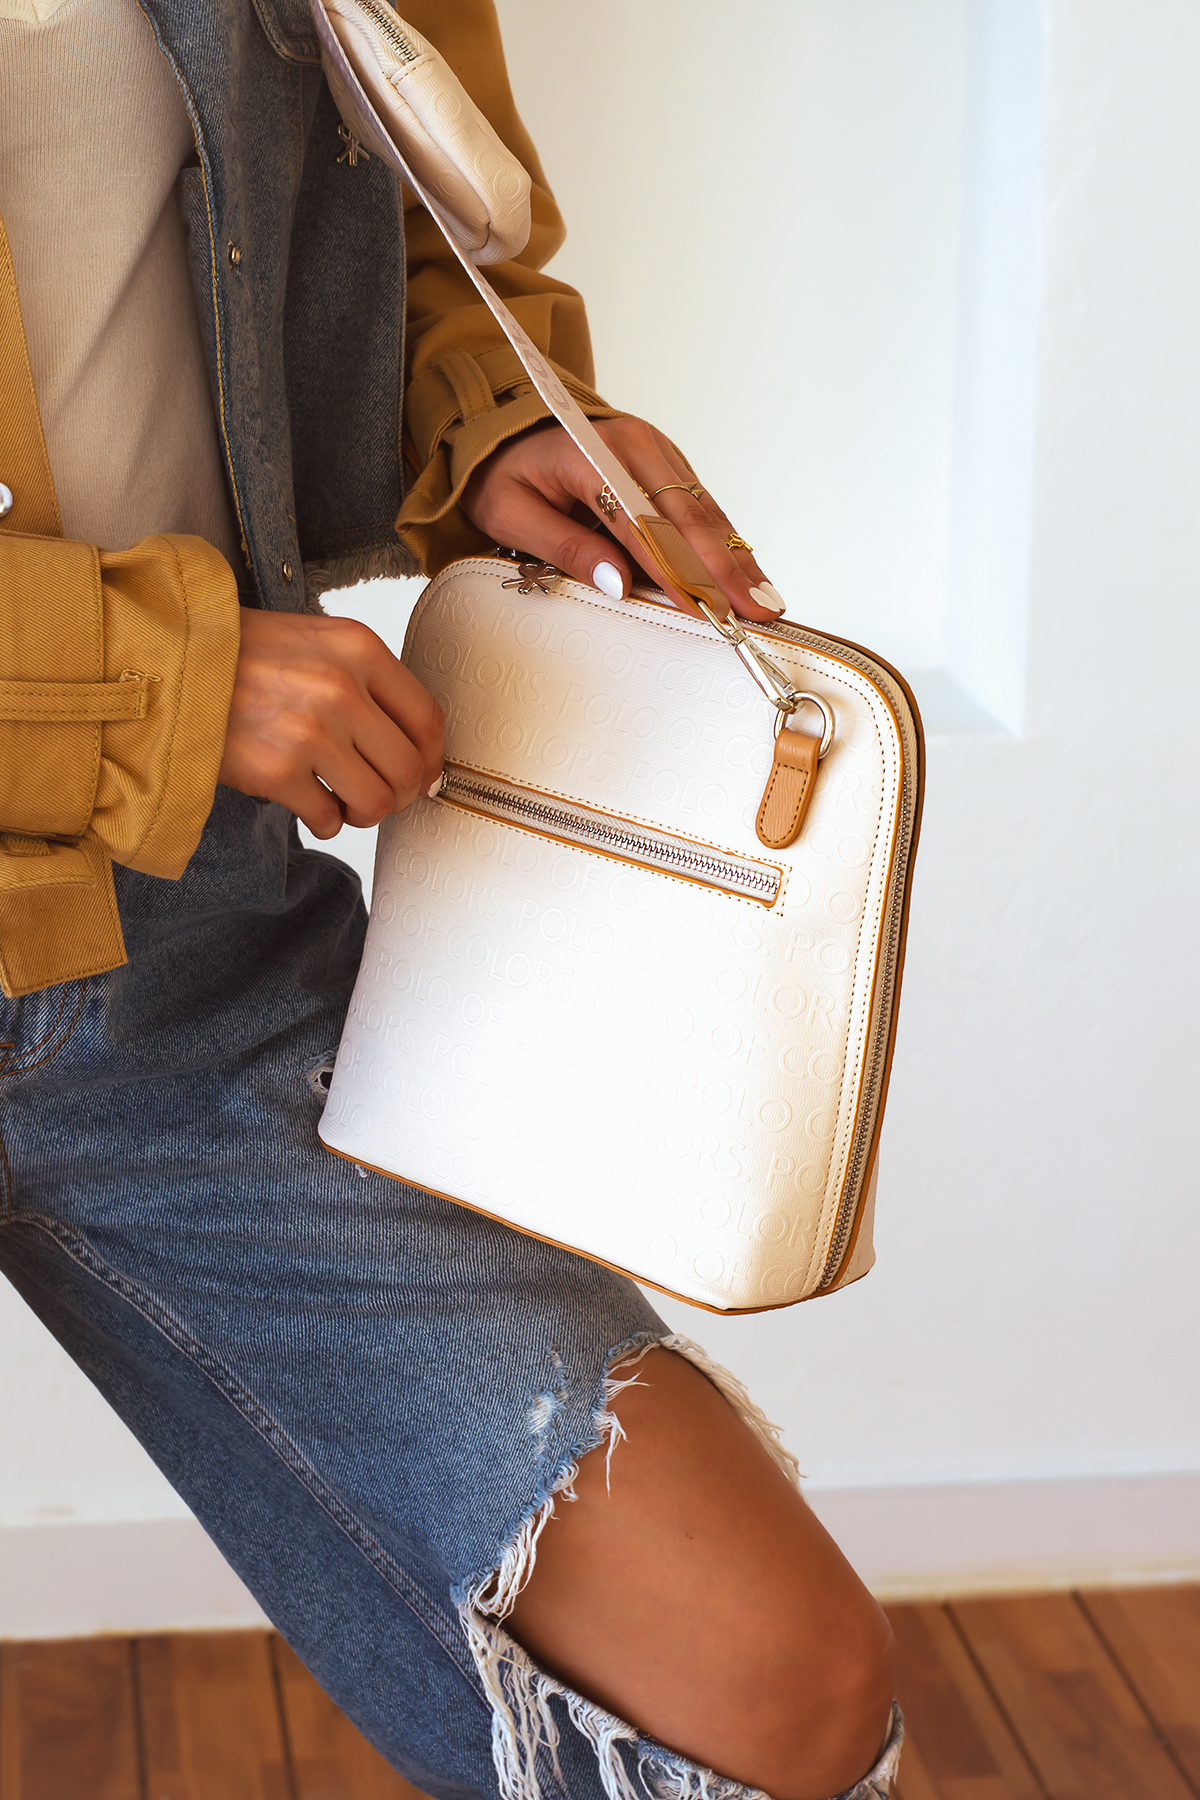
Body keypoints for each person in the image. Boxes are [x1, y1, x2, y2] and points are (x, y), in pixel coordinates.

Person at [0, 0, 903, 1795]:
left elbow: (399, 181)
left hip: (173, 940)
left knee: (768, 1677)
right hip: (152, 750)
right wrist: (139, 682)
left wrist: (478, 416)